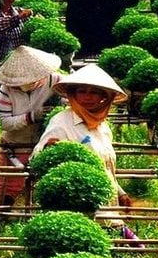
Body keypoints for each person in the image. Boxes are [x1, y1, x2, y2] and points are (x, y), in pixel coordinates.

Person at [32, 64, 133, 207]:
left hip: (107, 204)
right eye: (82, 91)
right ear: (73, 94)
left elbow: (106, 168)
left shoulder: (103, 127)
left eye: (94, 92)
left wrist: (120, 193)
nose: (87, 97)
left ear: (103, 97)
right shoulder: (61, 122)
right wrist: (47, 150)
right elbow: (37, 158)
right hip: (76, 202)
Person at [0, 46, 63, 205]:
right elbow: (4, 122)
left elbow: (70, 104)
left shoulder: (55, 81)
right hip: (16, 143)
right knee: (7, 185)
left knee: (46, 183)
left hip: (46, 142)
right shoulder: (7, 90)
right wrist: (31, 117)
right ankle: (1, 215)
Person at [65, 0, 138, 56]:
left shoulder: (74, 3)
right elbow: (132, 1)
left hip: (83, 46)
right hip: (107, 44)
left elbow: (70, 27)